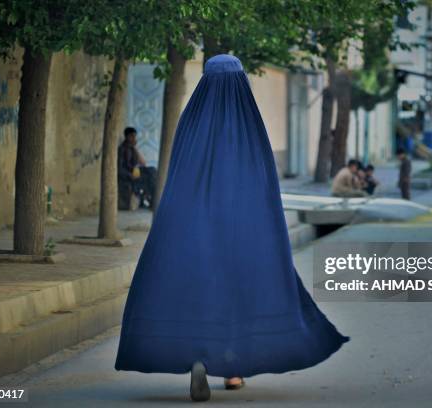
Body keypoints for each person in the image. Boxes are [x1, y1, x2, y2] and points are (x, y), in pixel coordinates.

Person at [114, 55, 349, 402]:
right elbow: (263, 185)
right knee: (237, 292)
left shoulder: (191, 122)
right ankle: (234, 370)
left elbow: (176, 179)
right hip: (240, 228)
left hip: (192, 227)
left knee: (197, 293)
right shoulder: (249, 126)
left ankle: (197, 361)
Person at [118, 127, 156, 209]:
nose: (134, 138)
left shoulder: (132, 149)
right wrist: (129, 175)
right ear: (127, 136)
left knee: (152, 171)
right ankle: (152, 201)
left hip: (135, 172)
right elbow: (119, 168)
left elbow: (143, 163)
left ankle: (153, 200)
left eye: (135, 136)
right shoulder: (122, 149)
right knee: (150, 176)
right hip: (128, 174)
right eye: (132, 136)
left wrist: (134, 148)